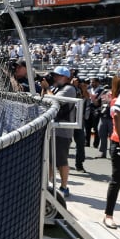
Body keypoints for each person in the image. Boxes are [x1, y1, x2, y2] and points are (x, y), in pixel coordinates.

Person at [40, 66, 77, 197]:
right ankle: (49, 185)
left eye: (57, 76)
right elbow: (44, 100)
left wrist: (48, 88)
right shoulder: (56, 88)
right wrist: (45, 88)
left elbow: (54, 100)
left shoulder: (69, 89)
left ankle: (64, 187)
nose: (54, 78)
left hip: (63, 130)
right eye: (54, 76)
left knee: (61, 160)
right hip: (53, 128)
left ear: (65, 77)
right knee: (50, 159)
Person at [103, 76, 120, 229]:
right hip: (119, 143)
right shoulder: (117, 100)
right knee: (117, 180)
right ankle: (108, 215)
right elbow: (117, 115)